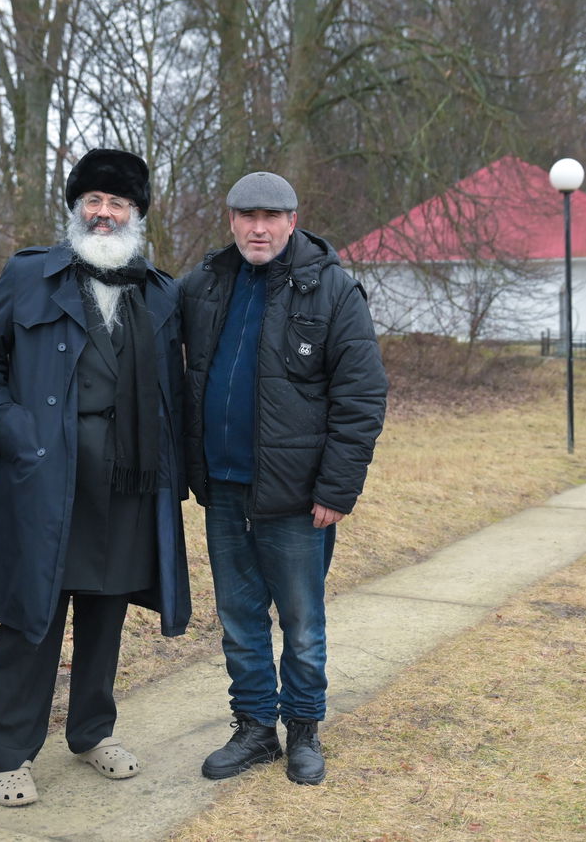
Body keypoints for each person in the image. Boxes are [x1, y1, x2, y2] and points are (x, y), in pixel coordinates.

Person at [0, 148, 190, 807]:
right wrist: (16, 432)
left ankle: (92, 730)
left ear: (136, 213)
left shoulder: (160, 291)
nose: (104, 212)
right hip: (46, 475)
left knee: (107, 611)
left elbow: (174, 391)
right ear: (75, 207)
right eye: (93, 200)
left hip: (127, 482)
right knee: (31, 617)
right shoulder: (29, 275)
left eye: (117, 202)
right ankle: (9, 750)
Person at [179, 171, 388, 786]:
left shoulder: (333, 290)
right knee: (239, 618)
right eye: (247, 216)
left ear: (293, 220)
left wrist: (336, 488)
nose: (259, 228)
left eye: (272, 216)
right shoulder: (206, 285)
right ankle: (253, 730)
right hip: (223, 487)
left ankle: (303, 731)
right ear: (232, 220)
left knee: (300, 620)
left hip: (298, 498)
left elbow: (362, 395)